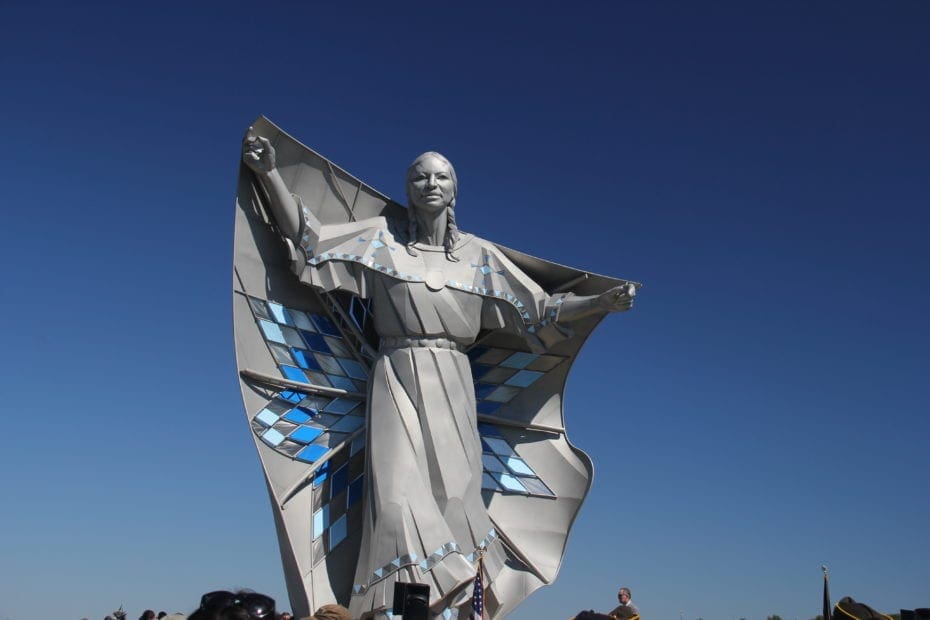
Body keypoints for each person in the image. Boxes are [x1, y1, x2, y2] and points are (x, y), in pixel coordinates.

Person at [243, 133, 635, 618]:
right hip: (395, 375)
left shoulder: (481, 258)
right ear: (407, 188)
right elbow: (311, 243)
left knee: (455, 497)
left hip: (454, 381)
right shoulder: (380, 240)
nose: (430, 182)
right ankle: (385, 609)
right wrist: (270, 173)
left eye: (441, 175)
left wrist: (599, 303)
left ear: (455, 190)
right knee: (393, 497)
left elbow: (540, 313)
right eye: (419, 175)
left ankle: (452, 609)